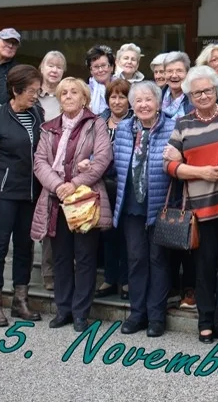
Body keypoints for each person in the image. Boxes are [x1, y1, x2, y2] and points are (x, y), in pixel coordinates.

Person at [163, 66, 218, 345]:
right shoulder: (183, 124)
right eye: (197, 93)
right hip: (199, 208)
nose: (203, 96)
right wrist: (201, 172)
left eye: (208, 90)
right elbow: (169, 165)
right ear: (190, 97)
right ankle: (205, 322)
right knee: (204, 266)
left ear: (216, 90)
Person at [31, 78, 114, 332]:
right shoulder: (48, 128)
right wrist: (58, 186)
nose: (68, 96)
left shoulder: (96, 124)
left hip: (85, 201)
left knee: (85, 258)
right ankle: (63, 310)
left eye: (74, 92)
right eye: (64, 93)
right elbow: (39, 162)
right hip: (56, 200)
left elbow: (103, 159)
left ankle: (80, 313)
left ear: (84, 98)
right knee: (61, 257)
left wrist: (74, 184)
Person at [0, 65, 46, 327]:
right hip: (3, 193)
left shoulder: (37, 114)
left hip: (30, 193)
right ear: (16, 90)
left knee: (25, 247)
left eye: (38, 91)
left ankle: (20, 301)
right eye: (31, 91)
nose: (36, 96)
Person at [114, 81, 177, 338]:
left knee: (158, 260)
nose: (143, 105)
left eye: (148, 99)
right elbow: (113, 160)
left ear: (158, 103)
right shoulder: (124, 128)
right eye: (138, 101)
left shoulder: (173, 126)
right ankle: (137, 313)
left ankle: (156, 316)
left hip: (161, 204)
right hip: (132, 205)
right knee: (136, 259)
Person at [160, 51, 198, 309]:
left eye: (179, 71)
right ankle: (170, 286)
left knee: (188, 228)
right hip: (161, 174)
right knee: (167, 227)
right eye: (169, 71)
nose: (174, 75)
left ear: (187, 73)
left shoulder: (193, 100)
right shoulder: (157, 96)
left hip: (186, 172)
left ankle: (190, 288)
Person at [95, 79, 134, 300]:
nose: (117, 101)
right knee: (108, 233)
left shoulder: (136, 121)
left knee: (126, 235)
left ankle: (127, 281)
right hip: (103, 184)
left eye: (122, 97)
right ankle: (110, 278)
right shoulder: (99, 121)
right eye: (113, 97)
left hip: (126, 185)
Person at [37, 50, 67, 291]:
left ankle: (49, 271)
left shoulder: (66, 96)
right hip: (29, 164)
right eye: (50, 65)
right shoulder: (32, 94)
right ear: (42, 67)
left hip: (56, 167)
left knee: (51, 220)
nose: (54, 70)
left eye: (59, 66)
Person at [86, 45, 116, 115]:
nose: (100, 70)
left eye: (103, 65)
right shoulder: (85, 91)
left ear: (112, 67)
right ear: (91, 71)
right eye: (96, 67)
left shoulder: (122, 88)